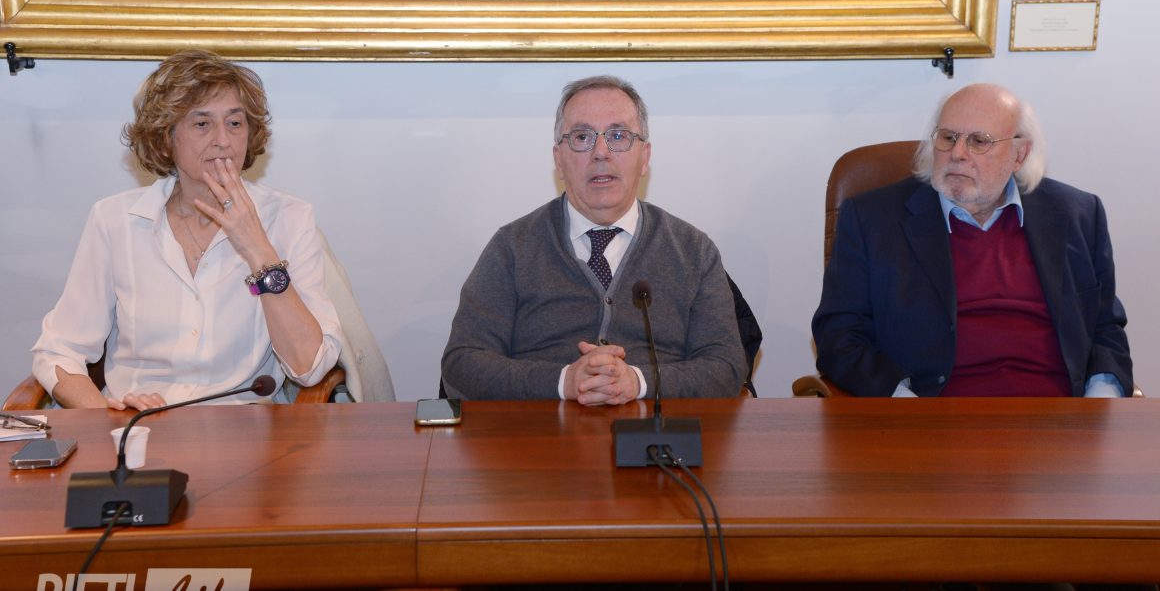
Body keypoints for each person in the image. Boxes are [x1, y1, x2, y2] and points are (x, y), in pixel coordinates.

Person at [31, 49, 342, 409]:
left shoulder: (289, 218)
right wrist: (106, 415)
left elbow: (310, 368)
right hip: (138, 427)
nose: (223, 140)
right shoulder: (114, 220)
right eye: (202, 124)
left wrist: (258, 248)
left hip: (244, 432)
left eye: (235, 123)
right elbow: (58, 350)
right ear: (166, 139)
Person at [812, 83, 1132, 398]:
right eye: (948, 137)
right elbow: (839, 335)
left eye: (979, 141)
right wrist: (904, 405)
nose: (957, 154)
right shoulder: (874, 219)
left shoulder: (1077, 214)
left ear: (1019, 154)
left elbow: (1105, 327)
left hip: (1057, 417)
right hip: (935, 418)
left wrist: (1098, 405)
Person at [442, 75, 747, 404]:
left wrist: (638, 382)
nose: (601, 152)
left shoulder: (693, 251)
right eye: (582, 137)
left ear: (644, 157)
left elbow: (727, 367)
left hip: (655, 433)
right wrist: (564, 381)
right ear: (559, 160)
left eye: (618, 136)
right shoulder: (512, 248)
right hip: (540, 432)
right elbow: (462, 363)